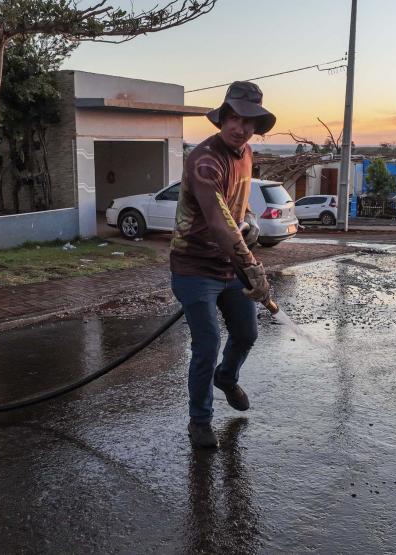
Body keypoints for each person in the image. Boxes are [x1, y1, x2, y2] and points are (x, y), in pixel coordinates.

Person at [170, 81, 277, 449]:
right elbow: (217, 221)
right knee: (207, 342)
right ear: (222, 118)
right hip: (194, 266)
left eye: (249, 121)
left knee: (246, 333)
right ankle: (200, 421)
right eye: (233, 118)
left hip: (229, 264)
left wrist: (251, 222)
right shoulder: (204, 160)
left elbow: (237, 207)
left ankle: (226, 377)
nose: (240, 127)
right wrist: (253, 269)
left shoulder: (246, 155)